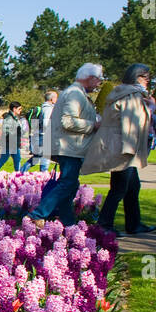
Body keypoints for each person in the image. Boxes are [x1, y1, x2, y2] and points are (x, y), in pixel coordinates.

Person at [83, 63, 156, 235]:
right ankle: (104, 224)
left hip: (120, 147)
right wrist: (151, 108)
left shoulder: (123, 93)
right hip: (124, 149)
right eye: (146, 77)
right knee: (119, 188)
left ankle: (134, 223)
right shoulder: (131, 95)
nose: (148, 81)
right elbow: (131, 124)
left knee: (132, 186)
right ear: (136, 77)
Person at [31, 63, 104, 226]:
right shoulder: (74, 94)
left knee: (71, 184)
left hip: (72, 147)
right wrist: (94, 125)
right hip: (68, 147)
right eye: (99, 79)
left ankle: (67, 219)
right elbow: (68, 121)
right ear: (90, 78)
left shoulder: (78, 93)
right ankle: (38, 214)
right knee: (68, 183)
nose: (99, 83)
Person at [20, 91, 58, 173]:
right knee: (44, 156)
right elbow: (46, 123)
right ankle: (43, 174)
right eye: (56, 97)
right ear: (52, 99)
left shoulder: (43, 107)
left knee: (38, 157)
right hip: (45, 135)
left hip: (41, 135)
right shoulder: (48, 108)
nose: (57, 99)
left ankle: (22, 171)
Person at [0, 101, 29, 173]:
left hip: (14, 143)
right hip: (9, 143)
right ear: (14, 109)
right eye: (19, 109)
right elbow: (6, 131)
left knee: (17, 159)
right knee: (4, 159)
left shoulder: (15, 118)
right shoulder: (9, 118)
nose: (20, 110)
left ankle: (18, 174)